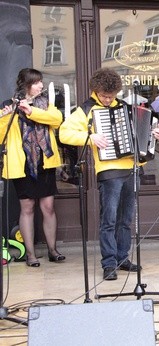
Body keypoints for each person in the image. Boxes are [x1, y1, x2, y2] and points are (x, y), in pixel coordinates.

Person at [59, 67, 159, 280]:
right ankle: (109, 263)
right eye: (105, 96)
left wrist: (153, 135)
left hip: (132, 168)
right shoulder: (86, 109)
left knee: (126, 219)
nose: (108, 100)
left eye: (111, 96)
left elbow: (141, 139)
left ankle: (123, 258)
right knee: (109, 219)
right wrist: (90, 137)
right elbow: (64, 133)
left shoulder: (124, 107)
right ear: (95, 91)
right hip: (108, 171)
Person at [0, 68, 65, 267]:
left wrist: (32, 111)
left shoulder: (47, 105)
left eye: (41, 82)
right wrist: (5, 116)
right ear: (26, 84)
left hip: (44, 161)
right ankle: (30, 254)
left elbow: (57, 120)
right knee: (27, 208)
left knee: (48, 206)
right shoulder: (8, 105)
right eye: (36, 82)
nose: (40, 86)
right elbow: (1, 135)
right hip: (23, 164)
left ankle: (52, 250)